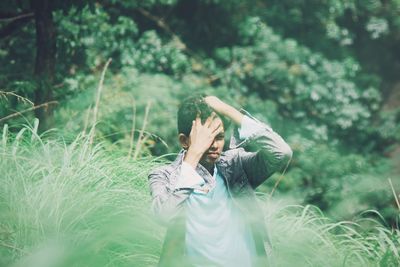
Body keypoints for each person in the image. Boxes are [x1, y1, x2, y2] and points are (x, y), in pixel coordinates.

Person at [148, 95, 292, 267]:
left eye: (219, 137)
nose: (215, 145)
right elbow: (163, 216)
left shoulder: (236, 165)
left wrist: (228, 111)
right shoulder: (163, 176)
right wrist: (193, 155)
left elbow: (281, 153)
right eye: (207, 137)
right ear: (184, 140)